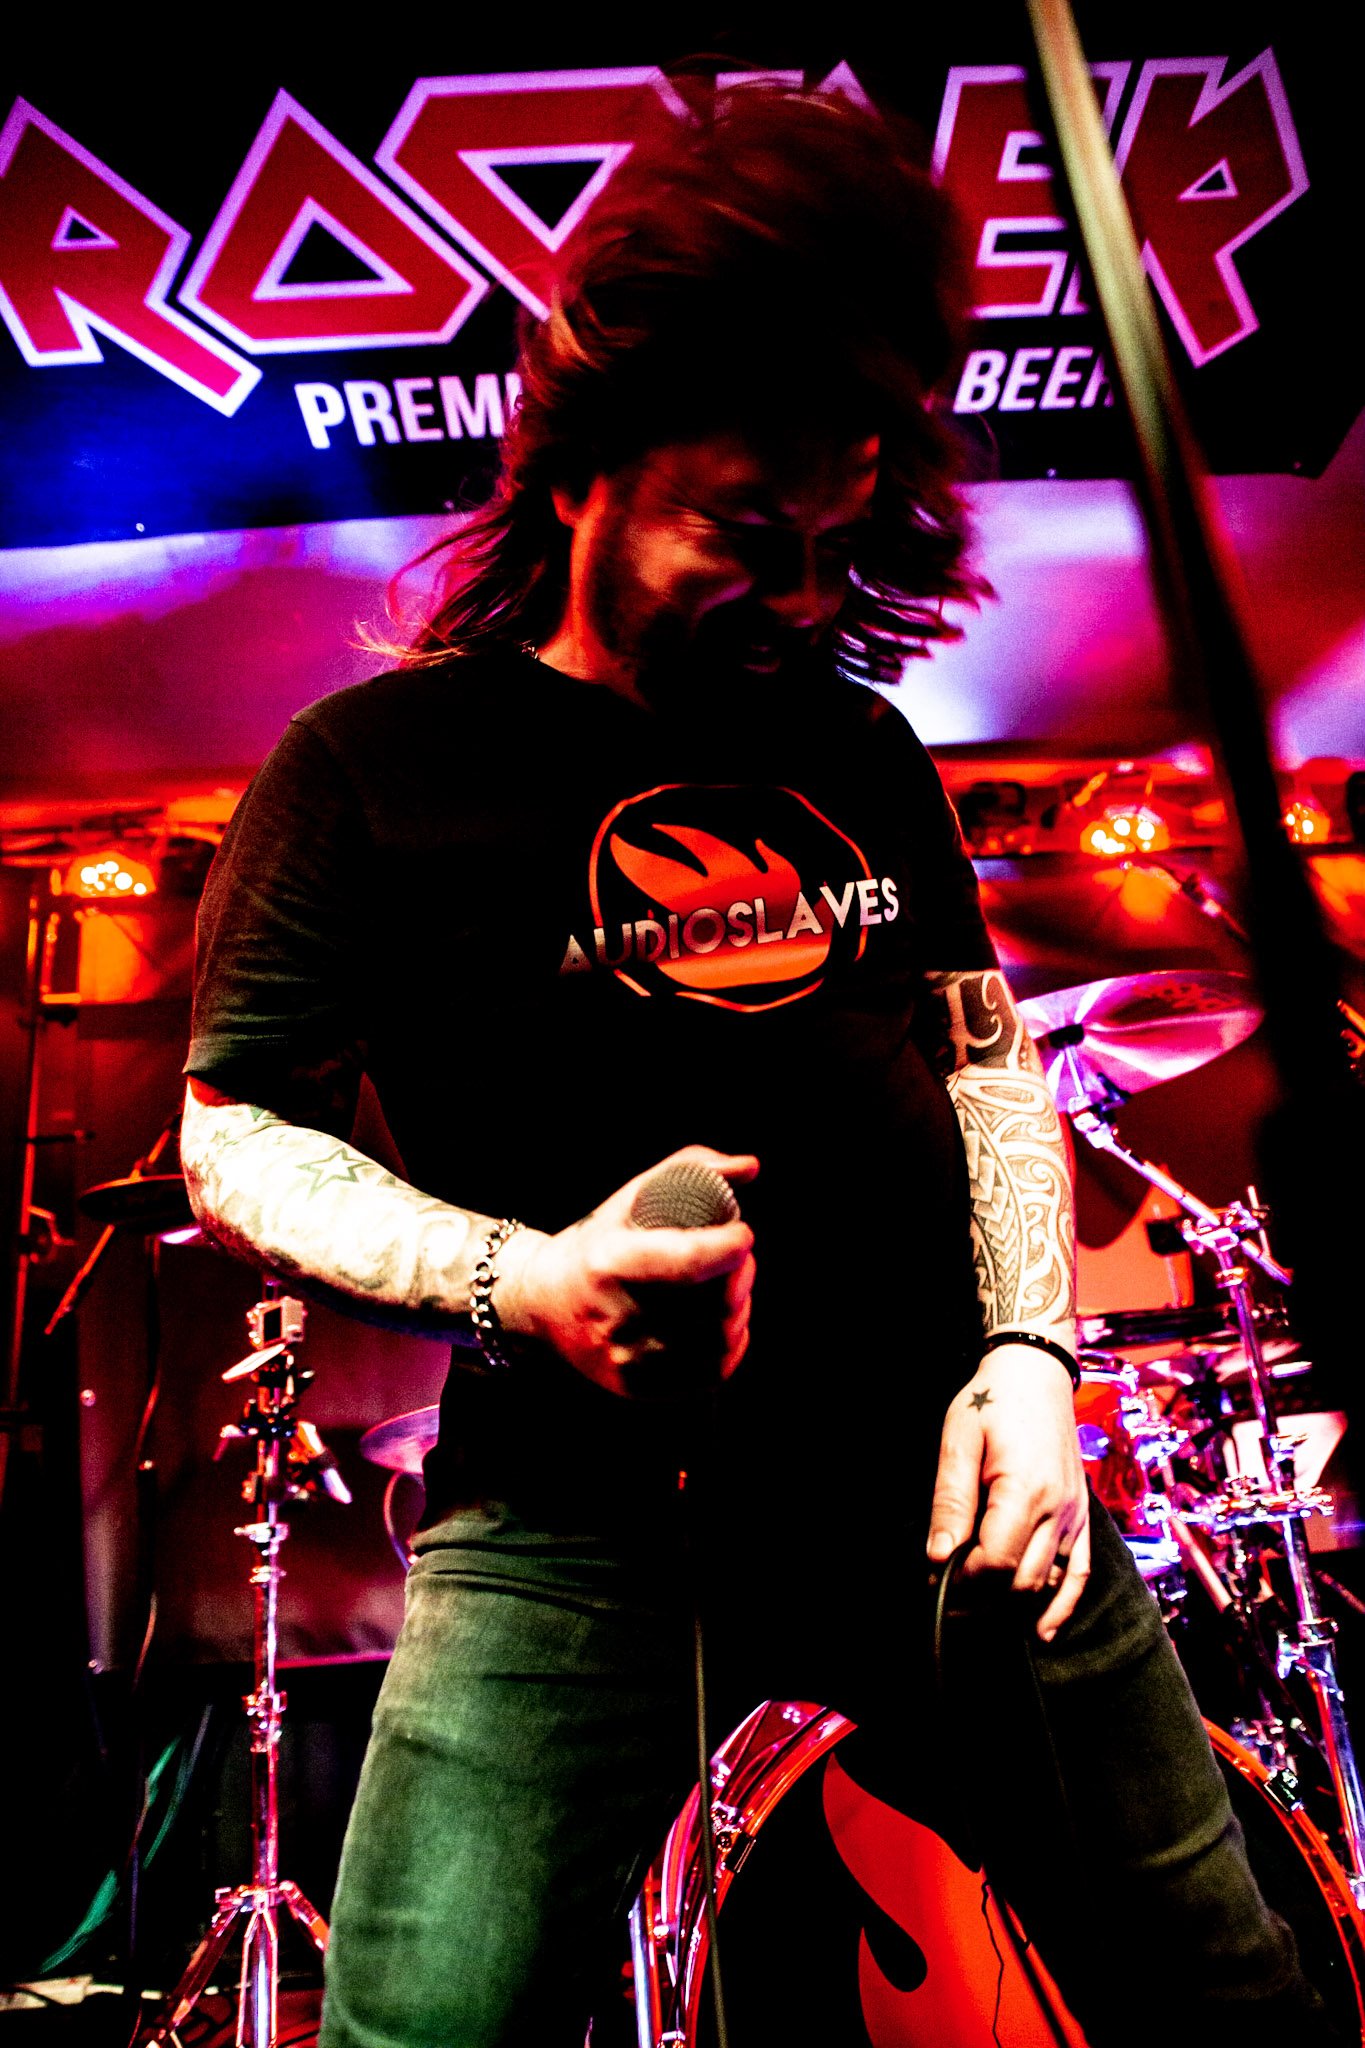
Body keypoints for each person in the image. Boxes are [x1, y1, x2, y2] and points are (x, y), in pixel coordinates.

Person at [181, 84, 1340, 2048]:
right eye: (743, 531)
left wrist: (1030, 1360)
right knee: (420, 2026)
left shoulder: (855, 744)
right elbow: (234, 1137)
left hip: (948, 1476)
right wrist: (524, 1278)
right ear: (583, 468)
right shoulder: (371, 768)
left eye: (825, 542)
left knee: (1228, 1998)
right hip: (567, 1523)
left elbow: (986, 1073)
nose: (801, 597)